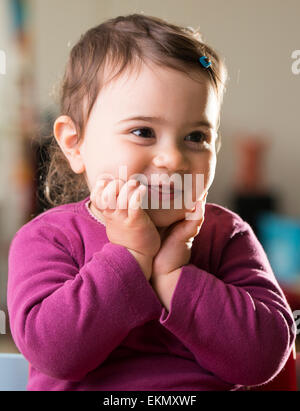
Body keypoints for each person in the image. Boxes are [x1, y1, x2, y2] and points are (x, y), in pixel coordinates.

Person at [7, 13, 295, 391]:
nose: (173, 159)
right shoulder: (48, 238)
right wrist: (130, 255)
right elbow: (53, 352)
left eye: (195, 137)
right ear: (75, 143)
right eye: (143, 132)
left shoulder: (226, 235)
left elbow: (266, 357)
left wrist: (175, 276)